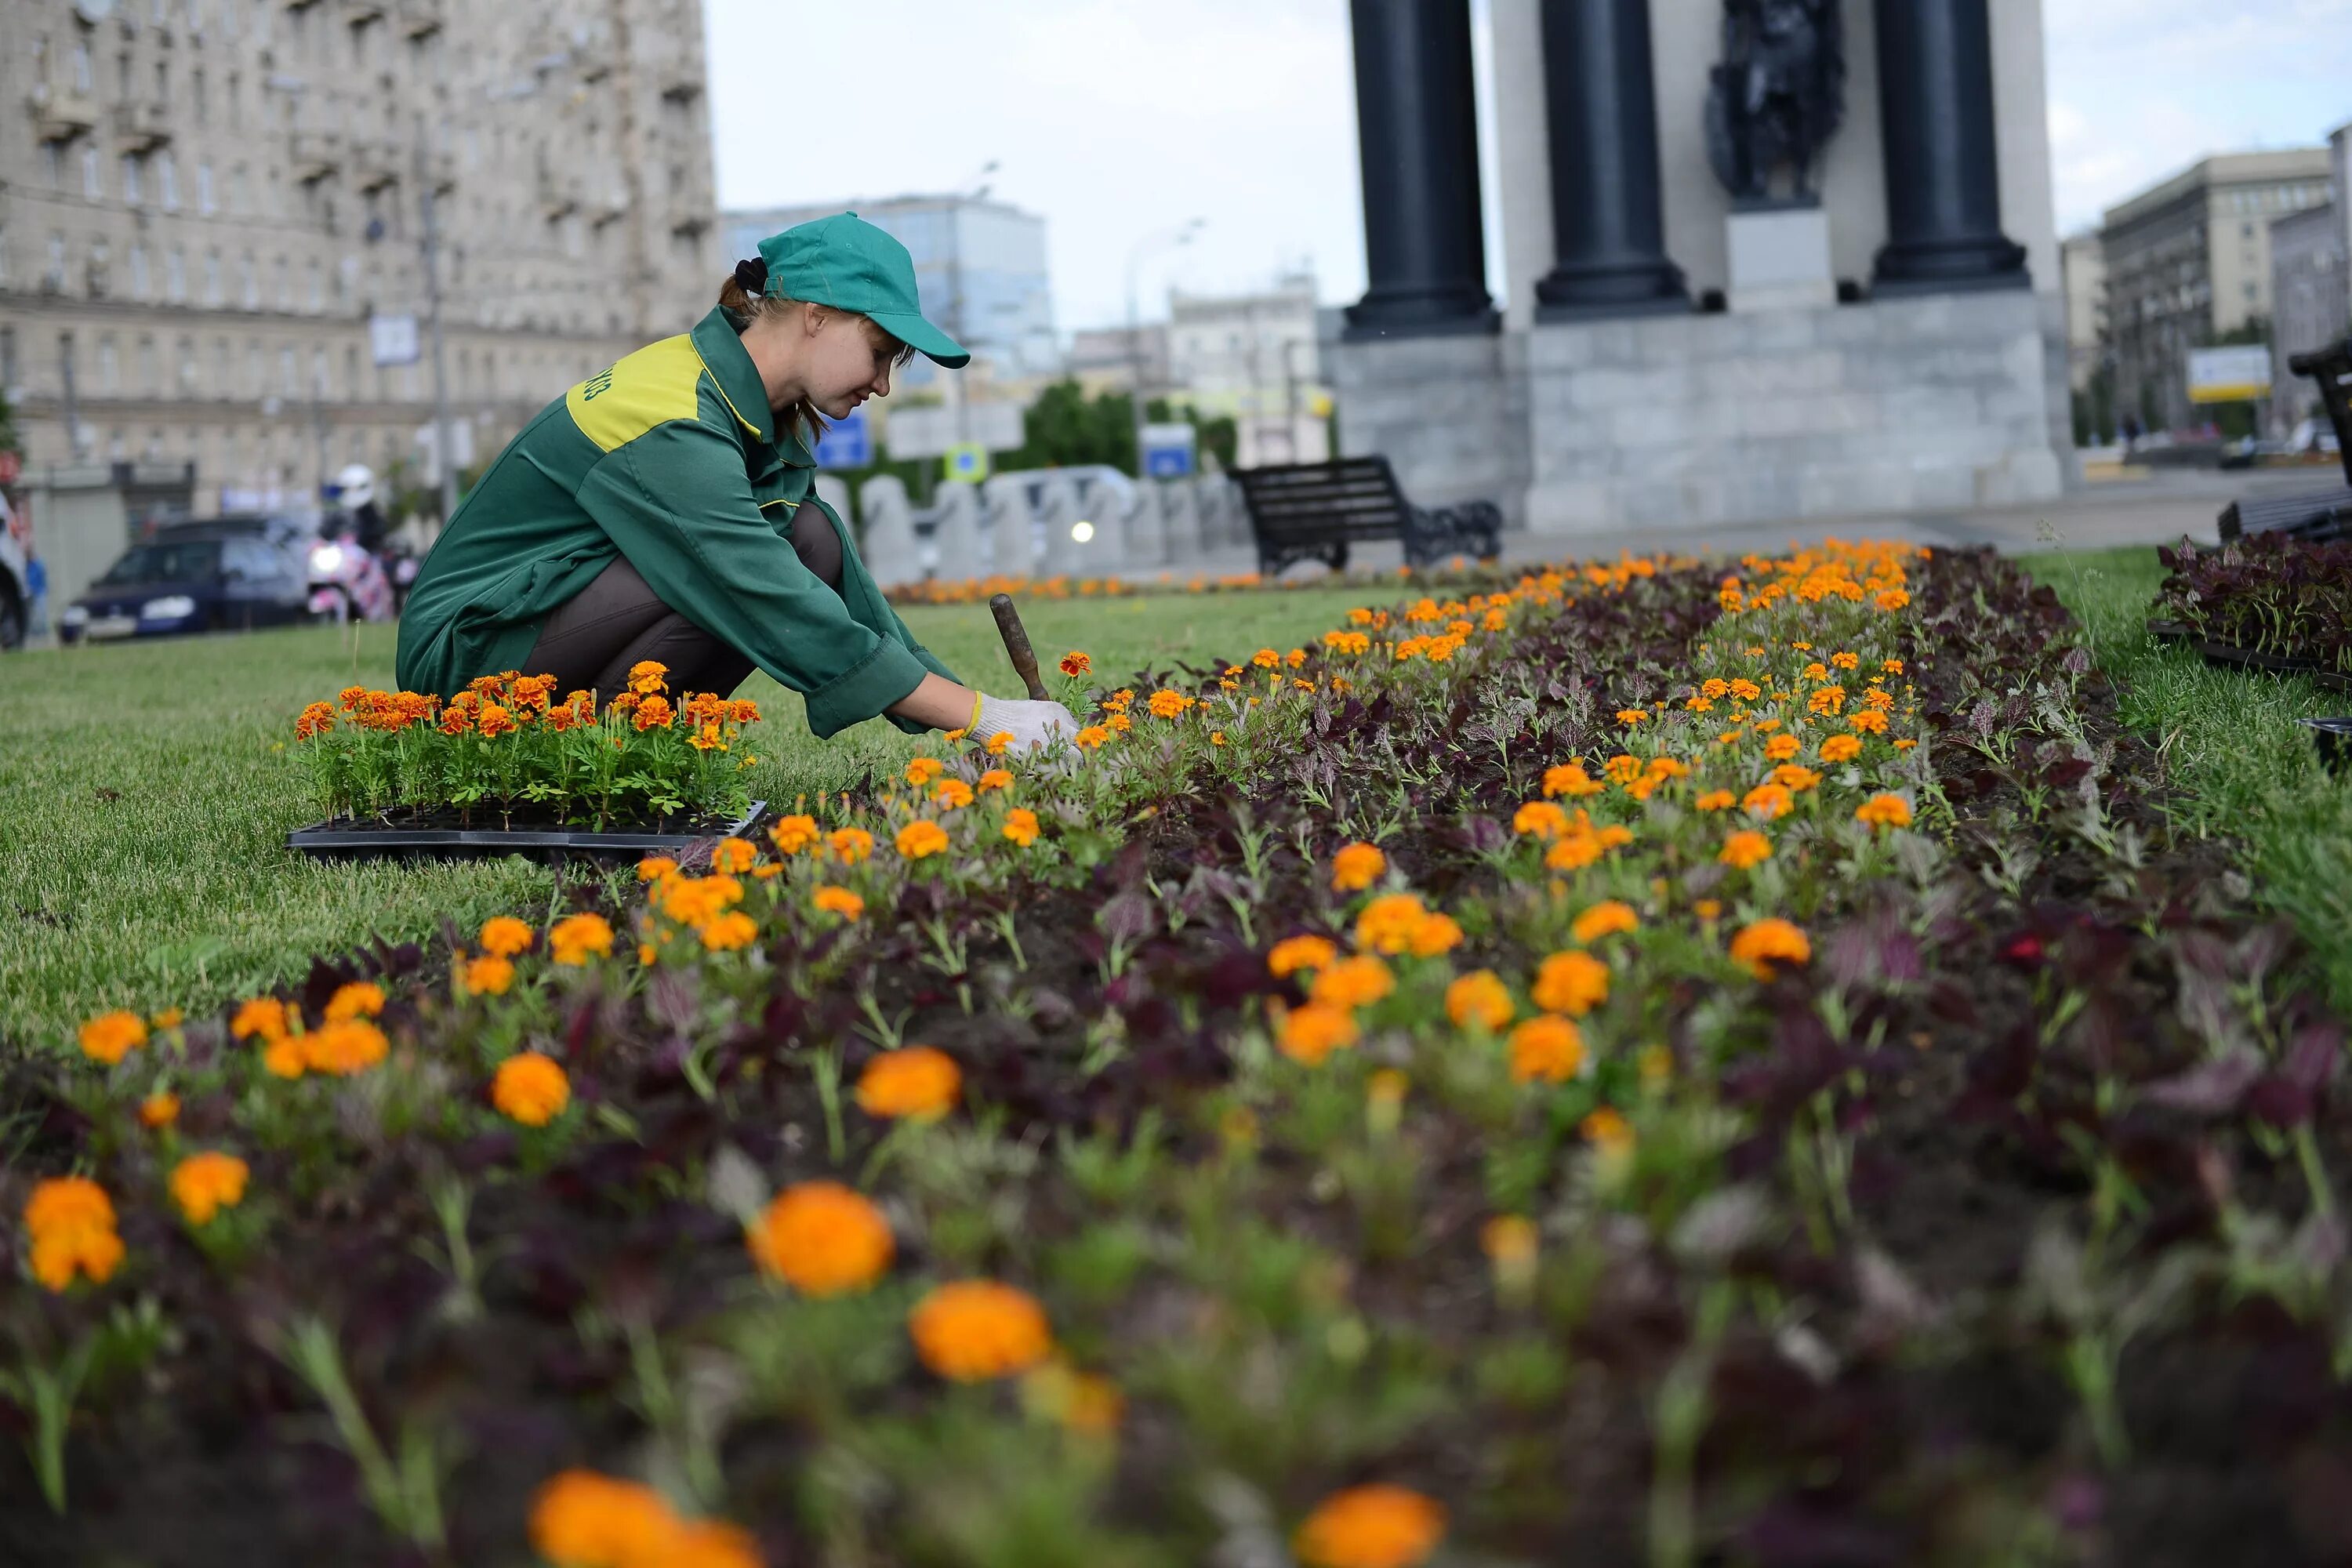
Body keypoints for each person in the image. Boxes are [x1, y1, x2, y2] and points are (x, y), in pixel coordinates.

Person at [394, 213, 1075, 750]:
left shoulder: (744, 408)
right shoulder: (673, 413)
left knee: (809, 537)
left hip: (540, 623)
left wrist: (977, 715)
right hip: (465, 660)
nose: (883, 383)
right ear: (817, 313)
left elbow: (839, 593)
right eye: (878, 352)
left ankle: (620, 753)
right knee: (751, 571)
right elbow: (762, 591)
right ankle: (572, 752)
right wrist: (979, 717)